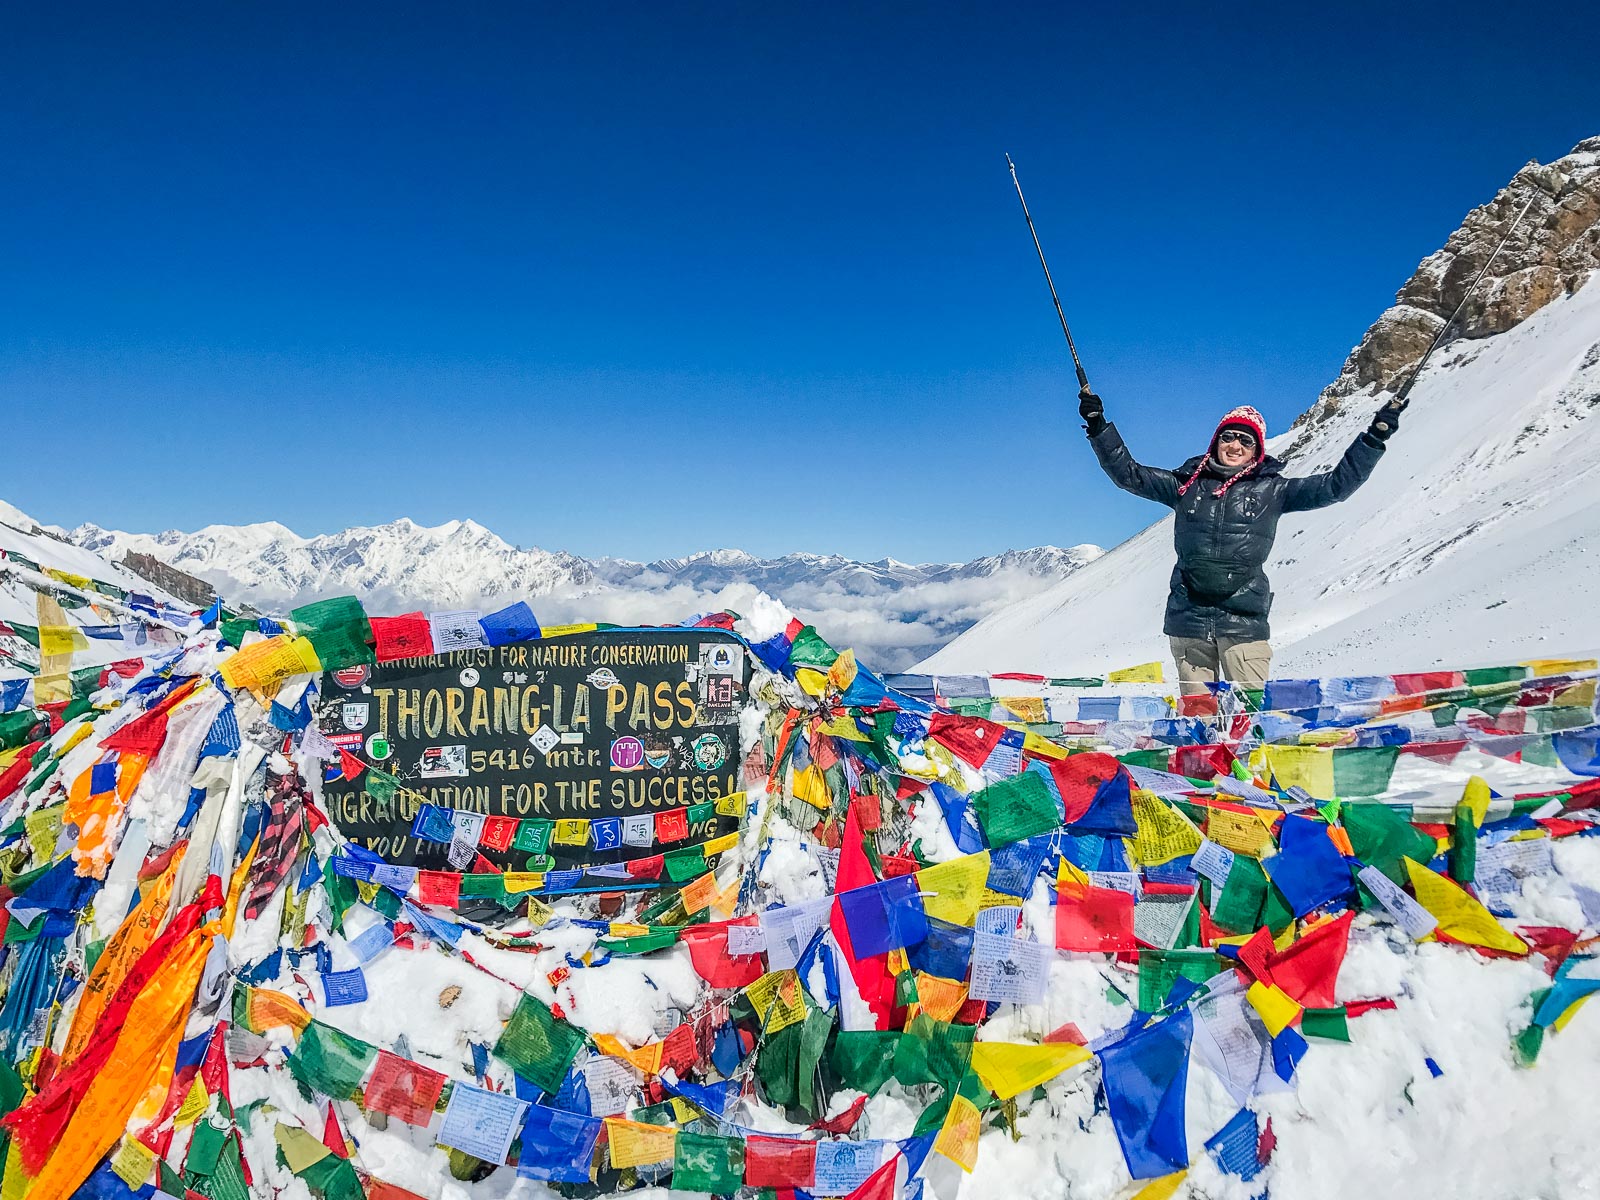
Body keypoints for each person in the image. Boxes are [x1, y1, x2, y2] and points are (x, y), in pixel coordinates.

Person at [1077, 386, 1401, 696]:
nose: (1234, 445)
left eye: (1245, 440)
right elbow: (1127, 474)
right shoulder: (1186, 484)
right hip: (1189, 620)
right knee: (1198, 727)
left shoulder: (1273, 490)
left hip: (1244, 623)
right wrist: (1098, 426)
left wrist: (1373, 439)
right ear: (1216, 441)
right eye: (1228, 436)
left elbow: (1335, 487)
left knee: (1246, 725)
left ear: (1256, 450)